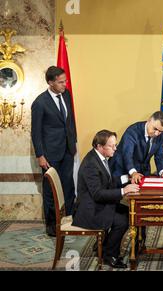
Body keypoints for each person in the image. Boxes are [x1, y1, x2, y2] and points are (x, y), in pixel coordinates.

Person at [72, 130, 139, 269]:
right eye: (112, 146)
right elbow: (97, 194)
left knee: (130, 212)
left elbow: (108, 181)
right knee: (122, 221)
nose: (115, 148)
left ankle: (103, 245)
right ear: (99, 146)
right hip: (90, 210)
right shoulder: (91, 164)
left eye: (115, 145)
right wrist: (123, 191)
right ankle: (109, 255)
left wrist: (128, 178)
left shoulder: (100, 158)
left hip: (97, 204)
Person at [31, 66, 77, 237]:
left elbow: (69, 121)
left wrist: (74, 142)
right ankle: (51, 225)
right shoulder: (39, 103)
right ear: (50, 83)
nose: (65, 84)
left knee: (68, 186)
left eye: (65, 81)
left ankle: (71, 220)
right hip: (50, 153)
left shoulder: (66, 94)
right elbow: (35, 132)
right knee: (51, 189)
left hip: (67, 150)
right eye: (60, 82)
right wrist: (40, 155)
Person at [110, 111, 163, 182]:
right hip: (122, 170)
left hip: (142, 173)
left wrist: (162, 171)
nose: (157, 133)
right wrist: (133, 172)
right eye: (155, 129)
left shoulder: (162, 135)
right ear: (149, 120)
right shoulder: (132, 131)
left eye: (160, 131)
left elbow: (159, 155)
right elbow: (127, 155)